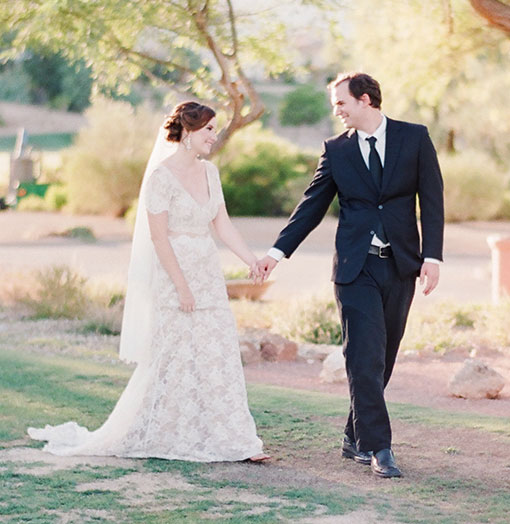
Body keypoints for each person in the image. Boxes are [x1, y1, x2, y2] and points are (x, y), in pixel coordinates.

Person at [28, 101, 269, 463]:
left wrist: (252, 261)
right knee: (174, 357)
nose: (213, 136)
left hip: (207, 274)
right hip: (175, 276)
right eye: (207, 130)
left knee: (218, 355)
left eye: (214, 129)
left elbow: (222, 225)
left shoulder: (210, 173)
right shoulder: (161, 177)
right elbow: (159, 239)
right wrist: (182, 286)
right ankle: (169, 432)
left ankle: (236, 440)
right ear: (187, 133)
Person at [258, 73, 444, 478]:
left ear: (364, 100)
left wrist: (434, 257)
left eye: (340, 103)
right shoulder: (336, 151)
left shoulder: (414, 139)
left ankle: (353, 434)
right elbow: (311, 205)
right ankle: (379, 448)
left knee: (383, 360)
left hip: (400, 265)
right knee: (363, 357)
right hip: (354, 269)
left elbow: (432, 200)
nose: (336, 111)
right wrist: (277, 252)